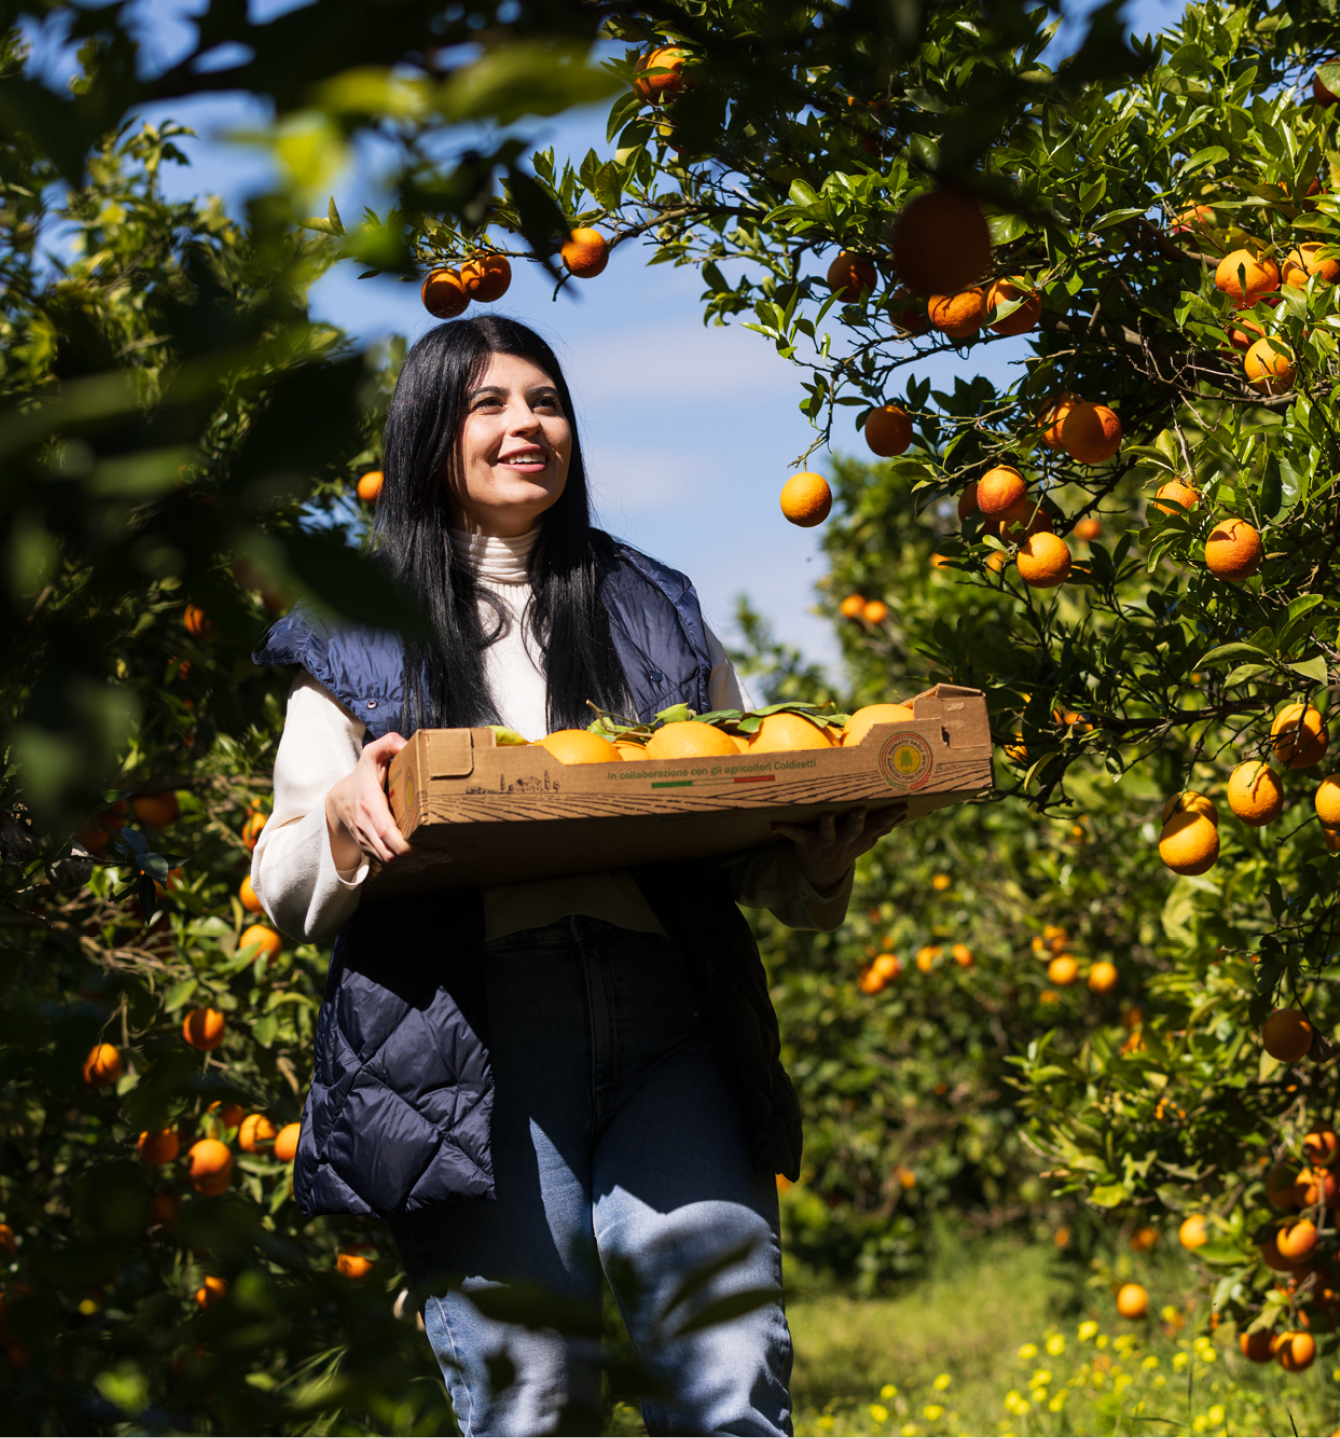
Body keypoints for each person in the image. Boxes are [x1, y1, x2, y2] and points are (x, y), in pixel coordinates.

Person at [250, 315, 900, 1436]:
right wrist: (349, 817)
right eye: (489, 404)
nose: (526, 425)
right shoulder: (357, 624)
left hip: (669, 1017)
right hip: (469, 1039)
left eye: (545, 401)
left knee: (728, 1373)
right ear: (429, 436)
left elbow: (739, 826)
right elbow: (282, 875)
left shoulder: (653, 602)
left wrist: (815, 855)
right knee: (534, 1400)